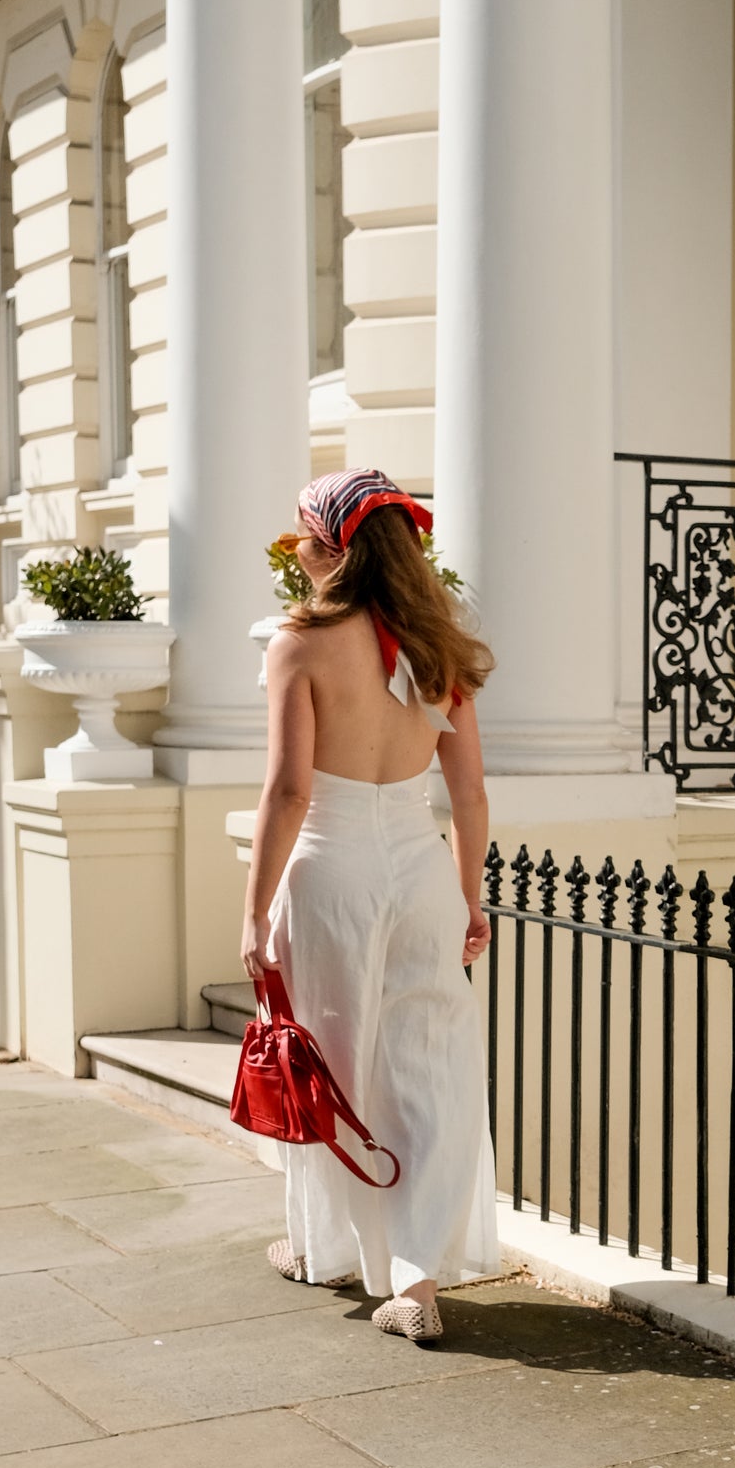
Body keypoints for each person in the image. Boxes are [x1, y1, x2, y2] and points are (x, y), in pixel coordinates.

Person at [240, 467, 499, 1343]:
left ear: (331, 547)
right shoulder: (438, 644)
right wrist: (467, 898)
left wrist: (252, 913)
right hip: (419, 867)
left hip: (333, 866)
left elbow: (286, 792)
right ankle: (416, 1279)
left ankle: (331, 1247)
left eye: (304, 535)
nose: (298, 550)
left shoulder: (299, 643)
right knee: (428, 1066)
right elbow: (468, 797)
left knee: (332, 1061)